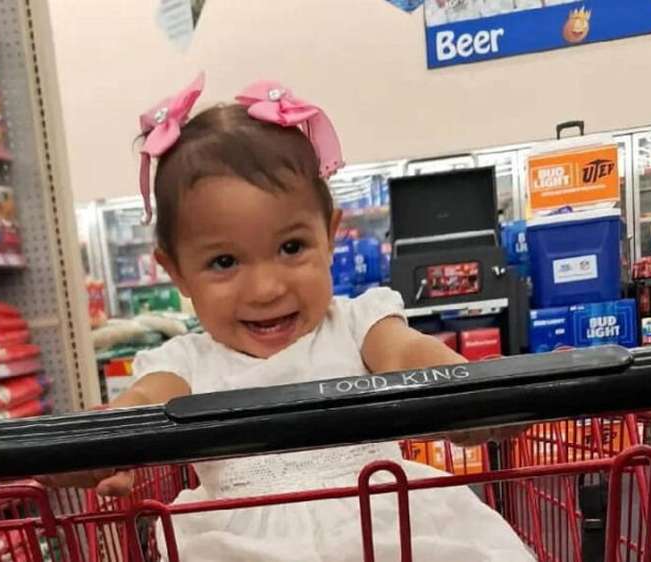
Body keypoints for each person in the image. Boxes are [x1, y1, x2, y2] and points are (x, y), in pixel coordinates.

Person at [51, 74, 532, 562]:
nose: (267, 289)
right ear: (176, 272)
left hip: (386, 524)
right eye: (224, 262)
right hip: (242, 547)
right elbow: (143, 401)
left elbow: (406, 354)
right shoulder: (186, 364)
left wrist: (468, 393)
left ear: (330, 235)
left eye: (291, 247)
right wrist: (97, 445)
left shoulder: (357, 325)